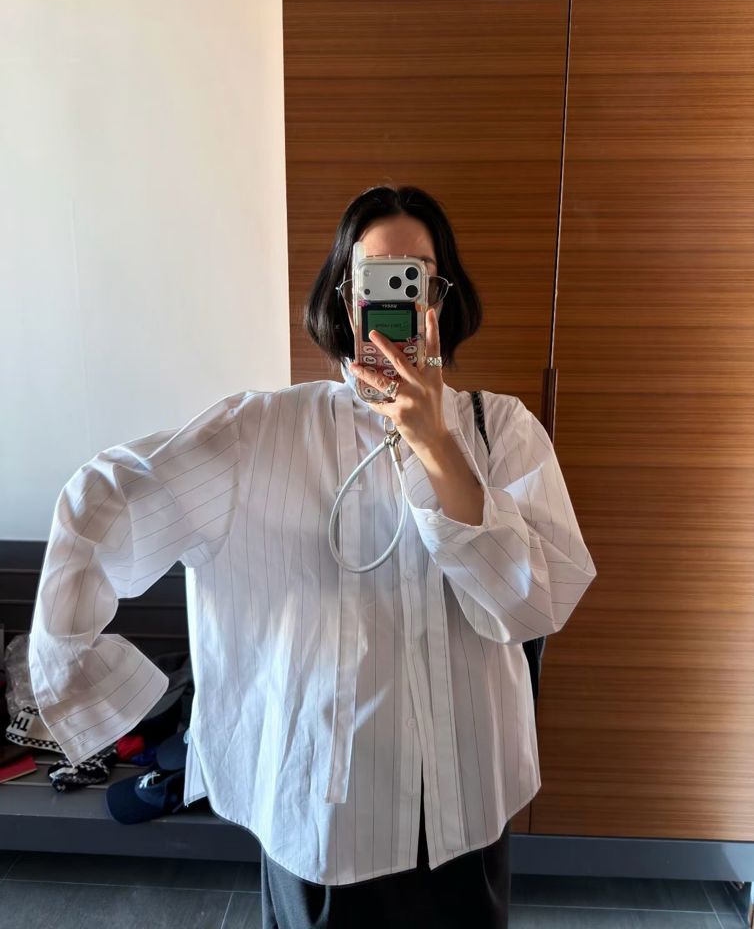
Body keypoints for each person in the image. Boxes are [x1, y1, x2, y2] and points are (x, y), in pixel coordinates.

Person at [28, 184, 597, 929]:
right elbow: (106, 494)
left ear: (439, 299)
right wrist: (76, 673)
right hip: (325, 822)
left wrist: (436, 446)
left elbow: (534, 605)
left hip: (467, 813)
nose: (394, 302)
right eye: (374, 281)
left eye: (415, 279)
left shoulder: (504, 433)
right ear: (346, 299)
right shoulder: (261, 433)